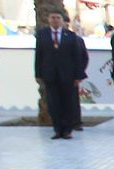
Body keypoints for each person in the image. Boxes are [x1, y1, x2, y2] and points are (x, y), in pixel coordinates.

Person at [35, 9, 87, 140]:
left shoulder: (70, 36)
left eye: (57, 17)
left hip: (68, 76)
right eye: (52, 17)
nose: (55, 20)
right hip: (50, 75)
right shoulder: (43, 35)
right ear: (49, 19)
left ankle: (68, 129)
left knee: (68, 103)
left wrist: (78, 76)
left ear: (62, 20)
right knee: (54, 103)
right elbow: (39, 55)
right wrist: (38, 73)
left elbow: (77, 57)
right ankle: (57, 129)